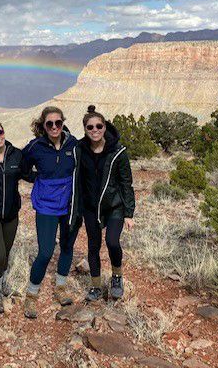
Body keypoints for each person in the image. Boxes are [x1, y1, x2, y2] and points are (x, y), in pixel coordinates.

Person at [21, 106, 83, 319]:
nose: (55, 127)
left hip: (70, 205)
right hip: (46, 205)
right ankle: (31, 294)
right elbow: (22, 167)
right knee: (46, 252)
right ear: (43, 125)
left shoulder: (74, 145)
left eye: (58, 122)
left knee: (67, 246)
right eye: (50, 123)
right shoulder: (35, 147)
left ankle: (61, 286)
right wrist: (36, 178)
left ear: (63, 122)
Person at [79, 105, 135, 301]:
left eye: (99, 126)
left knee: (112, 241)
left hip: (114, 206)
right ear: (85, 129)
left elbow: (126, 183)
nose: (95, 130)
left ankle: (117, 276)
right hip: (90, 207)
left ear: (105, 127)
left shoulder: (118, 152)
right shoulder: (80, 150)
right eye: (90, 127)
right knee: (93, 246)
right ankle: (95, 286)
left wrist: (129, 213)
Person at [0, 120, 34, 313]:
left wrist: (51, 175)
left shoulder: (16, 154)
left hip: (11, 214)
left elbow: (27, 174)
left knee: (6, 255)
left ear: (4, 131)